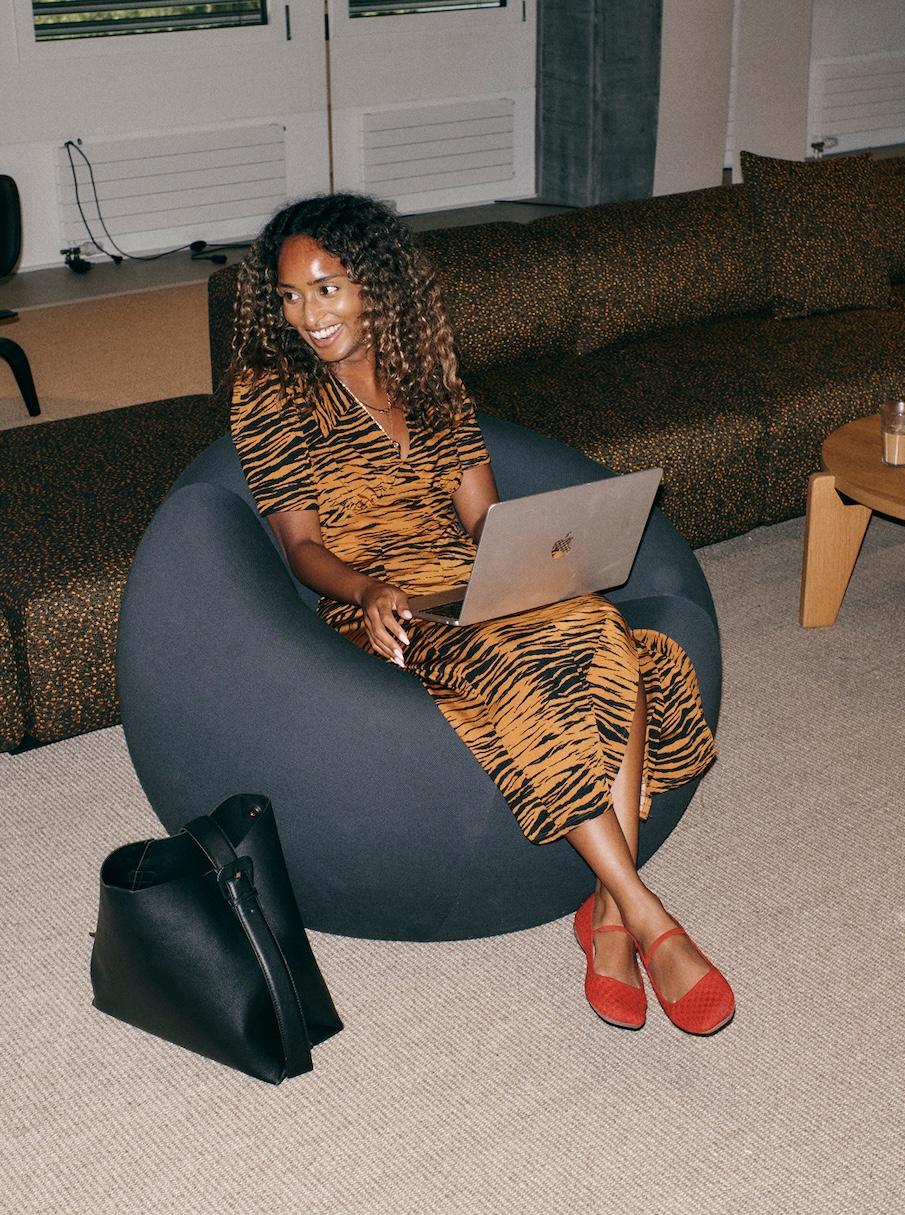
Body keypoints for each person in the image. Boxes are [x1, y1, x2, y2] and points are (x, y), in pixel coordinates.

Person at [226, 192, 734, 1035]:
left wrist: (542, 560)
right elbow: (300, 546)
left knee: (605, 632)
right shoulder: (274, 392)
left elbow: (484, 521)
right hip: (382, 603)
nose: (308, 315)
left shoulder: (428, 377)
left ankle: (608, 917)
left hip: (471, 582)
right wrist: (366, 590)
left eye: (327, 288)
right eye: (290, 296)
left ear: (376, 283)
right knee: (516, 669)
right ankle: (644, 915)